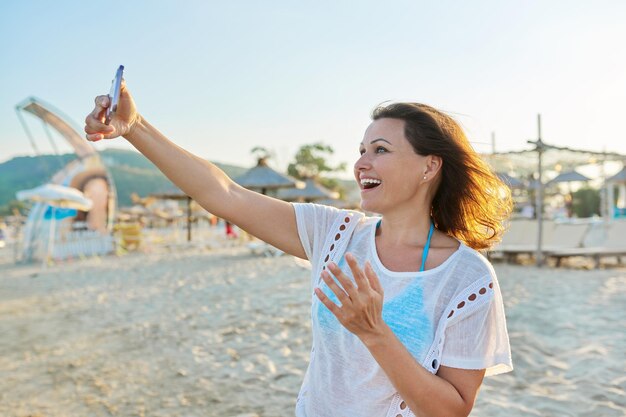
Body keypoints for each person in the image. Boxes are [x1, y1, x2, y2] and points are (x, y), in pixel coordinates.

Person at [85, 82, 513, 417]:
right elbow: (225, 194)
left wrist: (374, 332)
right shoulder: (336, 233)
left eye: (380, 150)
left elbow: (451, 410)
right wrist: (134, 127)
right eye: (362, 150)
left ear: (429, 166)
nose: (361, 163)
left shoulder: (466, 278)